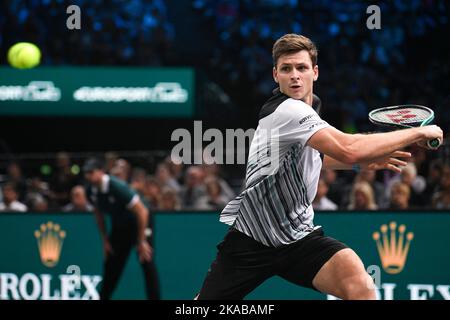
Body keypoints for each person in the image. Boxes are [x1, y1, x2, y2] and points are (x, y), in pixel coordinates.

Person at [196, 34, 443, 300]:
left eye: (301, 68)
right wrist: (418, 133)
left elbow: (319, 155)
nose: (294, 76)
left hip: (298, 236)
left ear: (315, 72)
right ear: (275, 75)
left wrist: (362, 163)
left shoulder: (311, 108)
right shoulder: (287, 110)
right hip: (252, 238)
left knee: (359, 284)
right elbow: (350, 148)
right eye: (286, 69)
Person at [83, 158, 160, 300]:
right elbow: (98, 214)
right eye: (86, 173)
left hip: (141, 223)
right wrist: (105, 239)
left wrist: (142, 241)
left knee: (146, 261)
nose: (88, 176)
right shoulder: (90, 191)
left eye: (91, 172)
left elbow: (142, 211)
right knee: (111, 265)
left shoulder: (116, 187)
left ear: (100, 172)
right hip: (120, 227)